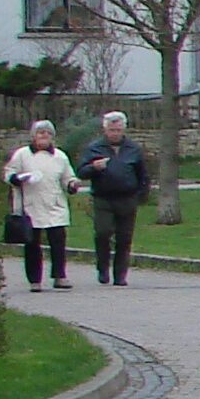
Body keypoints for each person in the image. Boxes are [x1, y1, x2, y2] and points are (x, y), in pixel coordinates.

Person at [77, 109, 150, 286]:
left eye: (118, 130)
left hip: (127, 198)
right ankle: (102, 267)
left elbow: (143, 175)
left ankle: (120, 274)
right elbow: (81, 172)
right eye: (111, 130)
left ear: (123, 130)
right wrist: (94, 167)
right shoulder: (95, 148)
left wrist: (141, 195)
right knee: (103, 232)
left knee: (124, 237)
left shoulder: (133, 149)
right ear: (105, 130)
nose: (115, 134)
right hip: (103, 198)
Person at [4, 120, 76, 294]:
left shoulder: (60, 156)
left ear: (52, 137)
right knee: (32, 244)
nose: (44, 136)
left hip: (54, 205)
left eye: (47, 133)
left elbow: (68, 177)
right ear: (33, 136)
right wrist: (18, 178)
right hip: (30, 205)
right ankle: (34, 280)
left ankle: (59, 276)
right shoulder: (22, 154)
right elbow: (8, 174)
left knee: (58, 241)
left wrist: (72, 184)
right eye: (40, 133)